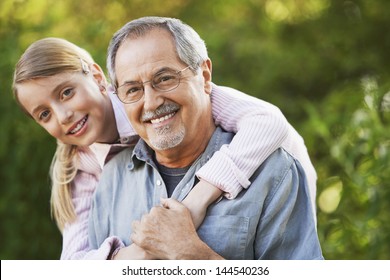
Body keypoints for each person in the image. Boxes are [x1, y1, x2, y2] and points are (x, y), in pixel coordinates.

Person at [12, 36, 316, 259]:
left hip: (273, 169)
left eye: (66, 93)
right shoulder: (82, 168)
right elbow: (74, 263)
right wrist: (129, 257)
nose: (63, 115)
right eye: (44, 114)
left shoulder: (157, 98)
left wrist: (197, 200)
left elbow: (267, 121)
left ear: (96, 75)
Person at [88, 16, 323, 259]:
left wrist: (191, 255)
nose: (151, 101)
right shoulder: (110, 180)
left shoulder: (274, 172)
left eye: (165, 78)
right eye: (133, 90)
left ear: (205, 76)